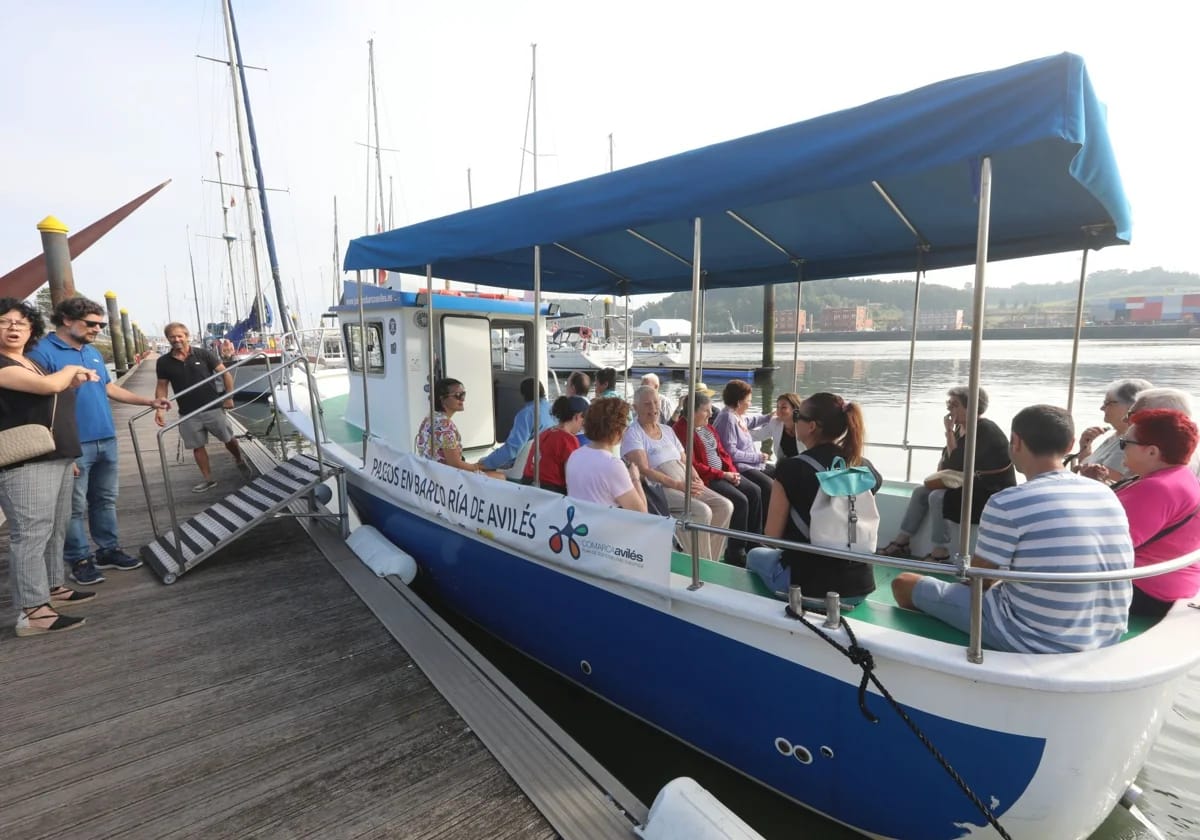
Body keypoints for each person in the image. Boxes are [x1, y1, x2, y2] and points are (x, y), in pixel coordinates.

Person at [892, 405, 1135, 654]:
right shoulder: (1105, 492)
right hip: (1106, 634)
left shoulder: (1008, 501)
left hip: (1034, 637)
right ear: (1071, 444)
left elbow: (979, 581)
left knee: (904, 582)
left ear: (1015, 442)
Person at [29, 296, 171, 584]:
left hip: (105, 437)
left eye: (100, 324)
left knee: (105, 499)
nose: (97, 329)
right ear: (67, 320)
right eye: (91, 324)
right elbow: (36, 404)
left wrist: (148, 401)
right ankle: (79, 558)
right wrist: (58, 448)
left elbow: (109, 388)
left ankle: (108, 550)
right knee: (73, 506)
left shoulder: (91, 351)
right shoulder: (41, 352)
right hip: (71, 443)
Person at [0, 298, 100, 636]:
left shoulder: (28, 362)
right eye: (5, 321)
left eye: (22, 322)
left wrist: (66, 457)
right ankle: (33, 612)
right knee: (30, 534)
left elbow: (50, 398)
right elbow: (48, 387)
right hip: (26, 462)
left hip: (55, 456)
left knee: (55, 529)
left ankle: (54, 587)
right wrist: (71, 371)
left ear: (31, 330)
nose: (14, 327)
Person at [746, 392, 881, 602]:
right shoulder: (862, 466)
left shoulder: (791, 469)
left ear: (811, 426)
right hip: (859, 587)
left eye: (798, 414)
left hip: (809, 587)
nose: (795, 418)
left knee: (755, 555)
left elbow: (771, 537)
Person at [879, 386, 1015, 562]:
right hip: (967, 485)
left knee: (937, 496)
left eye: (954, 405)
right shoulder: (961, 429)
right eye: (948, 404)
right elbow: (947, 465)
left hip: (988, 493)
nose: (949, 410)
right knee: (921, 492)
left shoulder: (986, 430)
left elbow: (958, 463)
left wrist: (949, 432)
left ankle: (939, 551)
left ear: (972, 407)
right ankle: (902, 542)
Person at [622, 386, 732, 561]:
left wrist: (695, 476)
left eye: (656, 402)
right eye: (647, 404)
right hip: (659, 488)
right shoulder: (633, 434)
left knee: (725, 506)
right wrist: (679, 485)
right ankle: (697, 563)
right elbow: (644, 471)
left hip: (683, 480)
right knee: (701, 511)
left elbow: (684, 458)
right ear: (635, 408)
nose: (653, 408)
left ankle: (710, 559)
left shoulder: (667, 430)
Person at [1113, 409, 1200, 617]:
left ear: (1152, 452)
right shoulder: (1181, 477)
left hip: (1146, 590)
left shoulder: (1157, 489)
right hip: (1173, 582)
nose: (1122, 448)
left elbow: (1109, 547)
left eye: (1125, 443)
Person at [154, 322, 251, 492]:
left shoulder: (203, 354)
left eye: (179, 336)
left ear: (186, 336)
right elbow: (162, 386)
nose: (176, 339)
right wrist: (159, 409)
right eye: (172, 337)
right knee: (197, 447)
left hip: (212, 407)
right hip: (188, 412)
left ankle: (238, 459)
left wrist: (229, 397)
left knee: (229, 439)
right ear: (168, 339)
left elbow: (225, 374)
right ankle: (208, 479)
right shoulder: (163, 362)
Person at [675, 391, 763, 565]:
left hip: (724, 473)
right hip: (708, 477)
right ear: (693, 411)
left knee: (755, 491)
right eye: (706, 410)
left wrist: (732, 473)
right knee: (740, 500)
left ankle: (754, 542)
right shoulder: (681, 430)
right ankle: (735, 550)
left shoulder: (708, 427)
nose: (711, 414)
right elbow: (694, 465)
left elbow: (722, 452)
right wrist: (724, 475)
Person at [566, 397, 646, 511]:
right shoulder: (613, 465)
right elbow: (642, 514)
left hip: (578, 524)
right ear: (618, 431)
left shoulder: (574, 455)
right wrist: (635, 479)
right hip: (603, 527)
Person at [415, 377, 504, 477]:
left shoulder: (430, 418)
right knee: (501, 477)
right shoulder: (445, 426)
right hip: (447, 477)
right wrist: (477, 466)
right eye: (458, 395)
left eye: (463, 394)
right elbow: (455, 464)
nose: (462, 399)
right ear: (442, 399)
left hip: (431, 473)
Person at [1074, 378, 1153, 483]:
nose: (1102, 408)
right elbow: (1090, 472)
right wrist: (1085, 447)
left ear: (1132, 406)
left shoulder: (1128, 443)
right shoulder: (1116, 435)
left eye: (1108, 403)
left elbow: (1105, 482)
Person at [712, 380, 776, 501]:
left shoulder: (735, 414)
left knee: (779, 474)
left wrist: (768, 417)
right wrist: (757, 457)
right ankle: (765, 519)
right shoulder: (727, 418)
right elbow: (731, 453)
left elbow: (749, 421)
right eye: (748, 401)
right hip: (739, 466)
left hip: (750, 464)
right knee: (769, 486)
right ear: (739, 402)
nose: (750, 404)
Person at [477, 377, 554, 471]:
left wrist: (486, 463)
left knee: (482, 463)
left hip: (523, 466)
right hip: (543, 463)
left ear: (523, 394)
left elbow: (513, 449)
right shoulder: (552, 409)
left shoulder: (526, 414)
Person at [1127, 387, 1200, 476]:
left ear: (1160, 417)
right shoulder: (1177, 452)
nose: (1125, 419)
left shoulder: (1170, 462)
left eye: (1133, 415)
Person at [522, 395, 587, 494]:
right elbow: (571, 480)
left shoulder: (545, 433)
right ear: (577, 416)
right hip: (550, 492)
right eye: (584, 419)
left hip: (528, 486)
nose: (583, 424)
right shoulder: (569, 440)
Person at [759, 392, 804, 459]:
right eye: (777, 407)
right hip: (783, 465)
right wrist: (739, 427)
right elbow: (758, 435)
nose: (779, 411)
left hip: (805, 466)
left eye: (784, 407)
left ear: (795, 409)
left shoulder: (805, 426)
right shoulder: (775, 423)